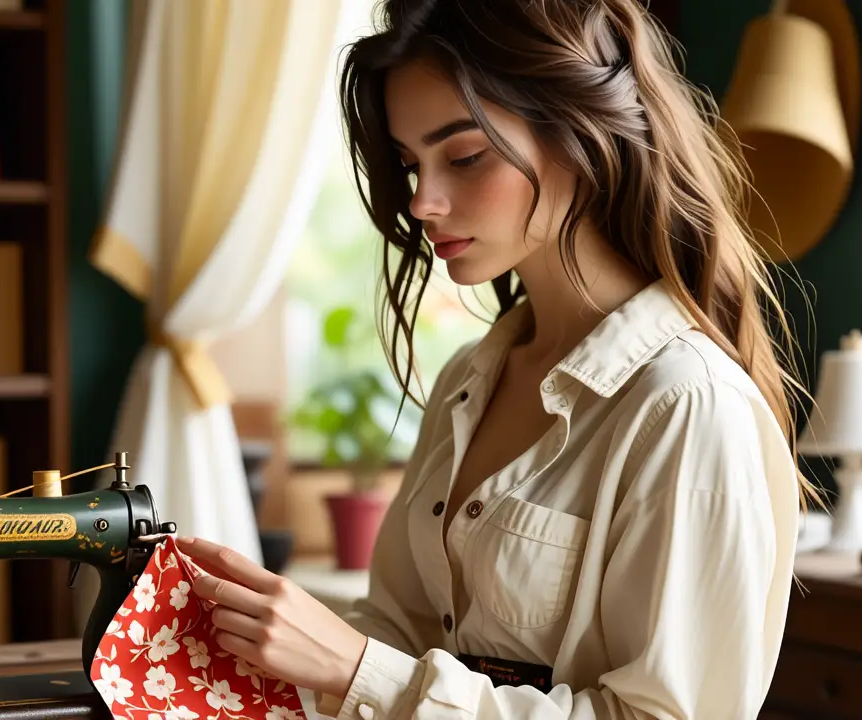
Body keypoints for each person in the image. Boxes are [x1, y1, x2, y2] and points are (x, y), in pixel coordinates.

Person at [179, 0, 814, 717]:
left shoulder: (684, 405)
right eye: (409, 162)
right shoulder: (467, 383)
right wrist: (236, 640)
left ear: (581, 135)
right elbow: (402, 631)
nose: (422, 201)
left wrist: (355, 668)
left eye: (464, 155)